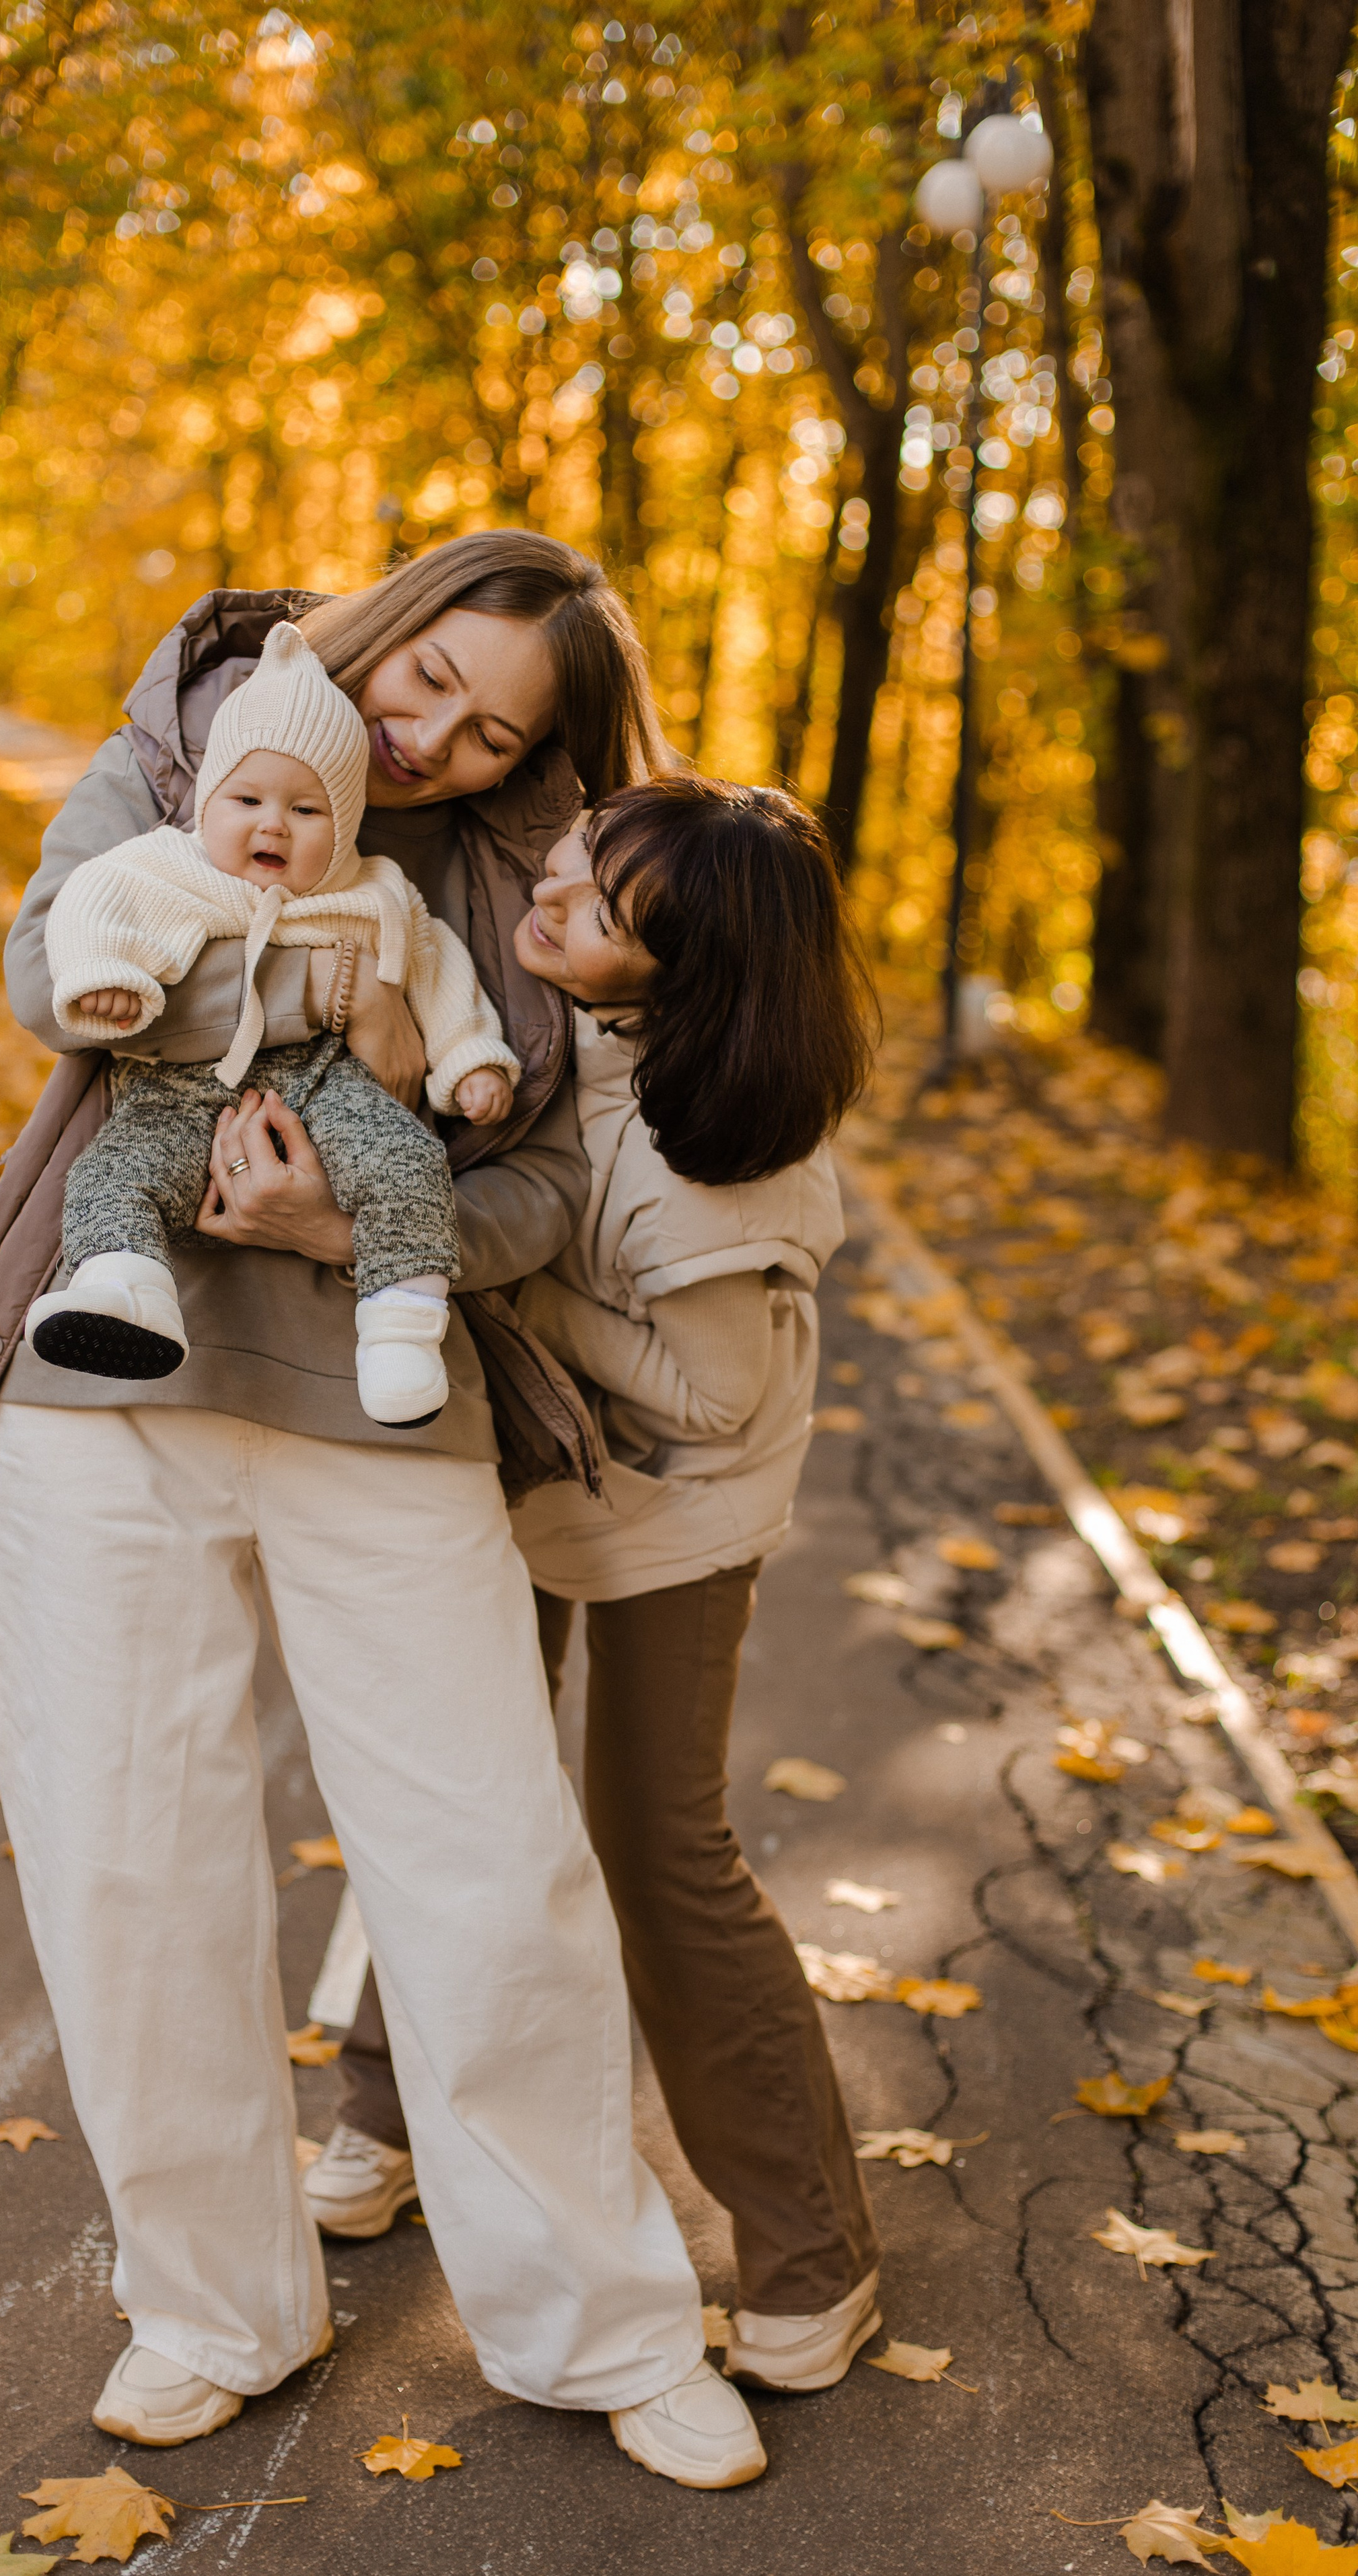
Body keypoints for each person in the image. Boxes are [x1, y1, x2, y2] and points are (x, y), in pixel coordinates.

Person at [0, 534, 772, 2491]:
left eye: (487, 736)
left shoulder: (530, 874)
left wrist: (356, 1202)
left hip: (386, 1402)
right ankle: (208, 2306)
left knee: (487, 1860)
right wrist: (252, 915)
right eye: (425, 681)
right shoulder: (187, 737)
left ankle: (602, 2323)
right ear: (383, 624)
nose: (429, 742)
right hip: (101, 1383)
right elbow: (48, 968)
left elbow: (548, 1181)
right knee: (127, 1861)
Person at [308, 773, 887, 2400]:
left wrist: (497, 1287)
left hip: (669, 1516)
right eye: (565, 869)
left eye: (597, 908)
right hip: (529, 1469)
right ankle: (386, 2114)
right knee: (458, 1801)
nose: (547, 904)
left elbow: (711, 1396)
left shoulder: (707, 1149)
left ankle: (812, 2252)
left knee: (659, 1852)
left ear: (678, 971)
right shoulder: (558, 1012)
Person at [25, 622, 517, 1423]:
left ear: (346, 821)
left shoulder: (374, 892)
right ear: (210, 800)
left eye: (307, 808)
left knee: (406, 1163)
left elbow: (438, 969)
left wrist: (471, 1056)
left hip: (331, 1087)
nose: (273, 825)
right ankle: (125, 1287)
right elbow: (92, 902)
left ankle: (401, 1327)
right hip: (182, 1088)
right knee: (111, 1173)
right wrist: (106, 972)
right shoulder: (169, 865)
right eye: (247, 800)